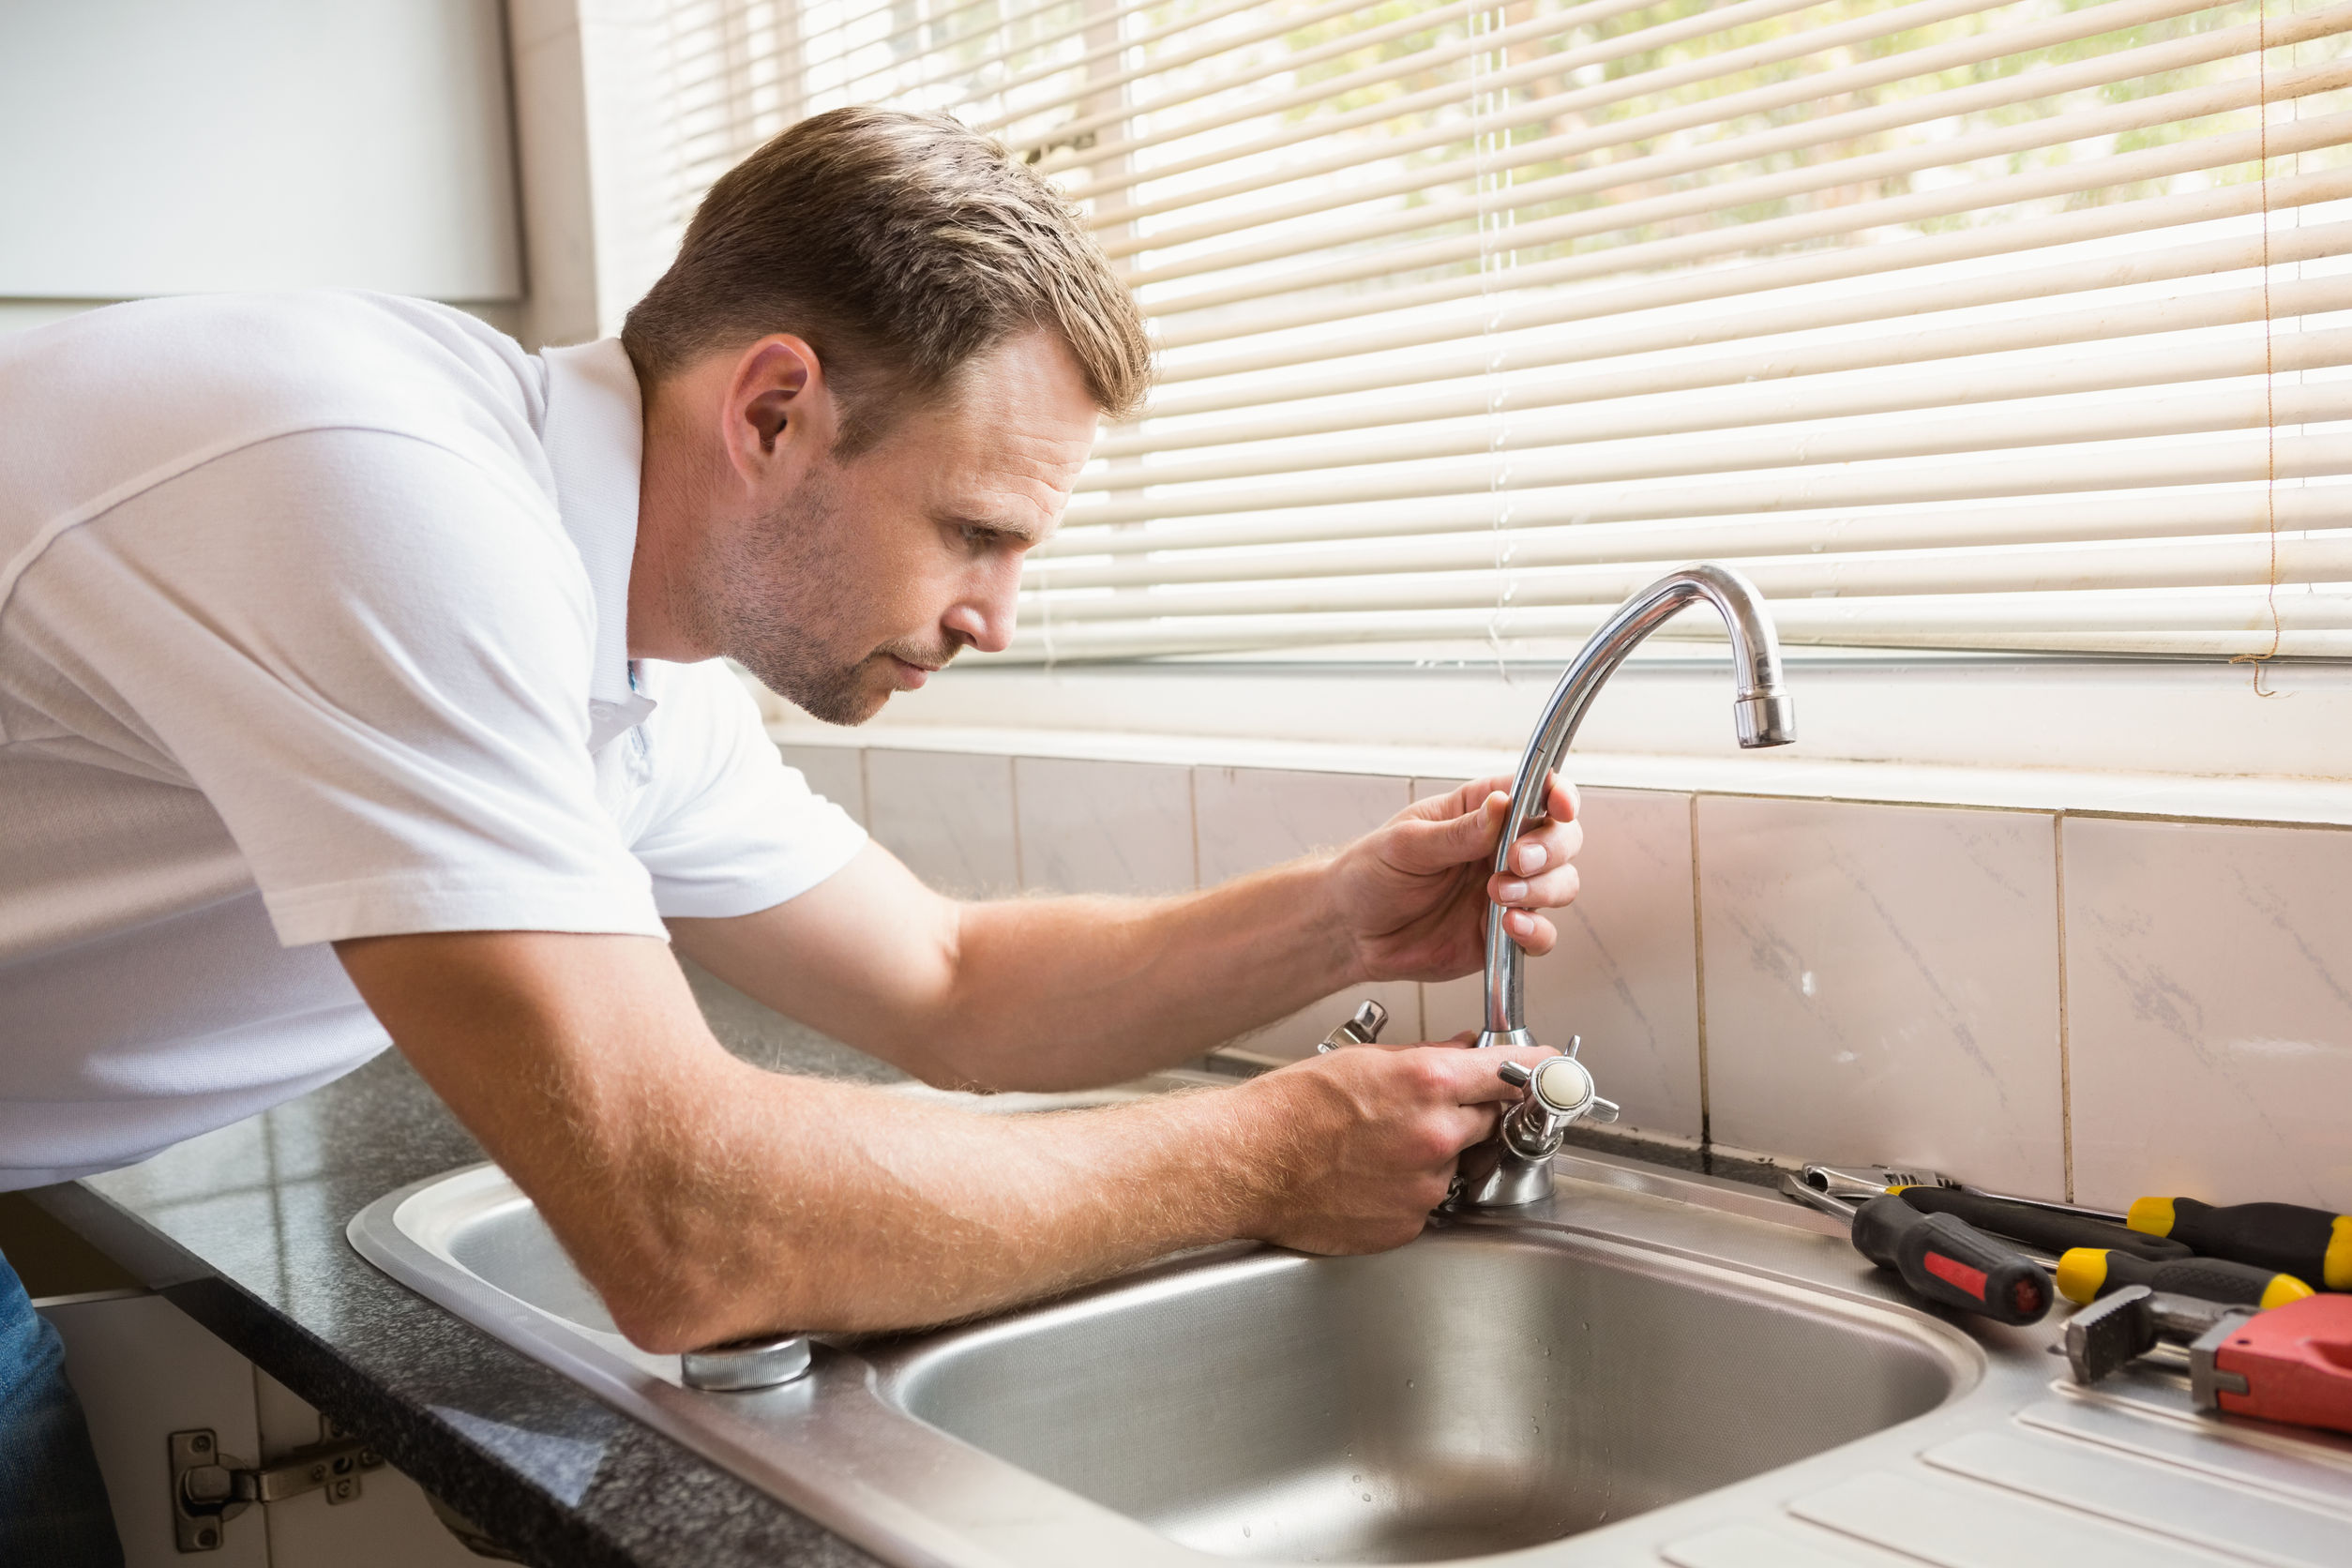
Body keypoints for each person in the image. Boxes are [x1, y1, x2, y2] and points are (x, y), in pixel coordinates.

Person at [0, 108, 1581, 1557]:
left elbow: (954, 984)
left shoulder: (629, 654)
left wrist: (1341, 920)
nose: (997, 617)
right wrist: (1266, 1154)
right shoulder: (378, 493)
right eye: (975, 530)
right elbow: (681, 1222)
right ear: (772, 411)